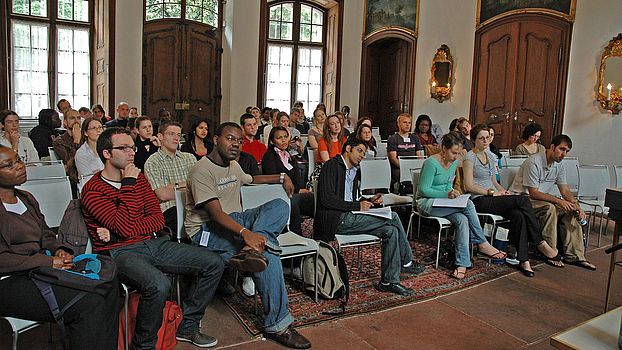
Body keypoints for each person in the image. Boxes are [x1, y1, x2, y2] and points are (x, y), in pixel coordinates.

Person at [81, 127, 224, 348]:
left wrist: (119, 230)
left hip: (155, 242)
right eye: (124, 148)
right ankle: (144, 345)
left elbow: (157, 220)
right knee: (158, 284)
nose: (132, 152)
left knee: (213, 263)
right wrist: (127, 185)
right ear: (107, 154)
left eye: (132, 147)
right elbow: (124, 226)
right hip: (120, 252)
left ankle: (188, 326)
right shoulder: (93, 190)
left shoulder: (139, 180)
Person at [184, 122, 311, 349]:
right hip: (205, 230)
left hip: (236, 219)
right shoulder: (201, 170)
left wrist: (281, 177)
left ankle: (254, 247)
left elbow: (251, 179)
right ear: (215, 139)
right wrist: (246, 234)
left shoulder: (233, 165)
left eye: (240, 141)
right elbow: (215, 214)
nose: (236, 145)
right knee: (268, 255)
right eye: (230, 139)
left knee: (281, 205)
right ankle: (278, 326)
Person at [0, 145, 120, 350]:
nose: (20, 166)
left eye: (18, 160)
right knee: (89, 304)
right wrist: (48, 261)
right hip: (8, 280)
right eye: (8, 165)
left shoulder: (26, 198)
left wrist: (58, 249)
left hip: (37, 269)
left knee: (109, 288)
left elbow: (46, 234)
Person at [315, 137, 425, 295]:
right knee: (393, 217)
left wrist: (368, 200)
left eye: (364, 153)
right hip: (336, 220)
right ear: (348, 149)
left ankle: (389, 281)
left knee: (391, 231)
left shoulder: (353, 170)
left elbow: (350, 198)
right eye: (359, 151)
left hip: (350, 215)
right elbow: (326, 199)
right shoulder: (332, 166)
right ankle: (406, 261)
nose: (362, 155)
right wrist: (357, 206)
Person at [462, 124, 558, 277]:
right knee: (523, 200)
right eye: (481, 138)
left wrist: (502, 192)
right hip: (478, 199)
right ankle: (540, 242)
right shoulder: (469, 157)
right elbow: (468, 185)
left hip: (492, 195)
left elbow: (494, 181)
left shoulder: (490, 156)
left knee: (518, 215)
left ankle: (523, 260)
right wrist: (492, 193)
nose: (485, 141)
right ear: (474, 140)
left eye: (487, 138)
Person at [416, 133, 507, 279]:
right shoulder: (431, 163)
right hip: (427, 203)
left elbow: (447, 185)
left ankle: (462, 263)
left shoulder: (453, 163)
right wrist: (447, 194)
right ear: (443, 148)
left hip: (444, 203)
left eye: (458, 154)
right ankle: (482, 242)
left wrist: (452, 191)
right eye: (453, 153)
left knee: (462, 220)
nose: (455, 157)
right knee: (469, 204)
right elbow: (423, 190)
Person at [510, 134, 596, 270]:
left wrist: (575, 204)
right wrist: (558, 201)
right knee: (549, 208)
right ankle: (550, 251)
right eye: (561, 149)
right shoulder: (534, 162)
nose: (564, 154)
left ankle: (575, 255)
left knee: (571, 210)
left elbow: (565, 190)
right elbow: (533, 192)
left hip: (542, 199)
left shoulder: (559, 165)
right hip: (523, 199)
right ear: (552, 147)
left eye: (566, 151)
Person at [144, 121, 197, 233]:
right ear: (160, 136)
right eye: (171, 134)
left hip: (192, 208)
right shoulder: (153, 162)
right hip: (169, 212)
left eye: (178, 135)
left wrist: (173, 186)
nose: (176, 138)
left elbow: (198, 186)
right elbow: (162, 195)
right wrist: (188, 186)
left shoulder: (189, 158)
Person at [262, 126, 314, 235]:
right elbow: (273, 178)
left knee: (316, 198)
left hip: (293, 191)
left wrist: (299, 189)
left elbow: (297, 180)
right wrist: (297, 191)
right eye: (279, 138)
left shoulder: (289, 156)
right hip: (278, 193)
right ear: (272, 141)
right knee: (293, 201)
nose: (283, 140)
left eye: (285, 137)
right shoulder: (269, 156)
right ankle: (295, 235)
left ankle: (320, 233)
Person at [387, 113, 424, 191]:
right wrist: (406, 168)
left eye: (409, 123)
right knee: (406, 176)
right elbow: (393, 159)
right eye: (404, 122)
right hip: (399, 168)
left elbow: (419, 156)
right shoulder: (393, 139)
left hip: (414, 167)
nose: (407, 125)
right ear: (398, 124)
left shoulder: (415, 138)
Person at [53, 108, 82, 185]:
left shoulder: (86, 138)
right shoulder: (59, 141)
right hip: (73, 177)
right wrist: (76, 142)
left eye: (78, 118)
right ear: (65, 122)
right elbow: (69, 164)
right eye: (72, 118)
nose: (76, 121)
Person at [75, 117, 104, 191]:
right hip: (90, 189)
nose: (98, 130)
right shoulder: (81, 153)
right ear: (85, 133)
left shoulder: (107, 148)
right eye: (94, 128)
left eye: (100, 127)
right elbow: (88, 178)